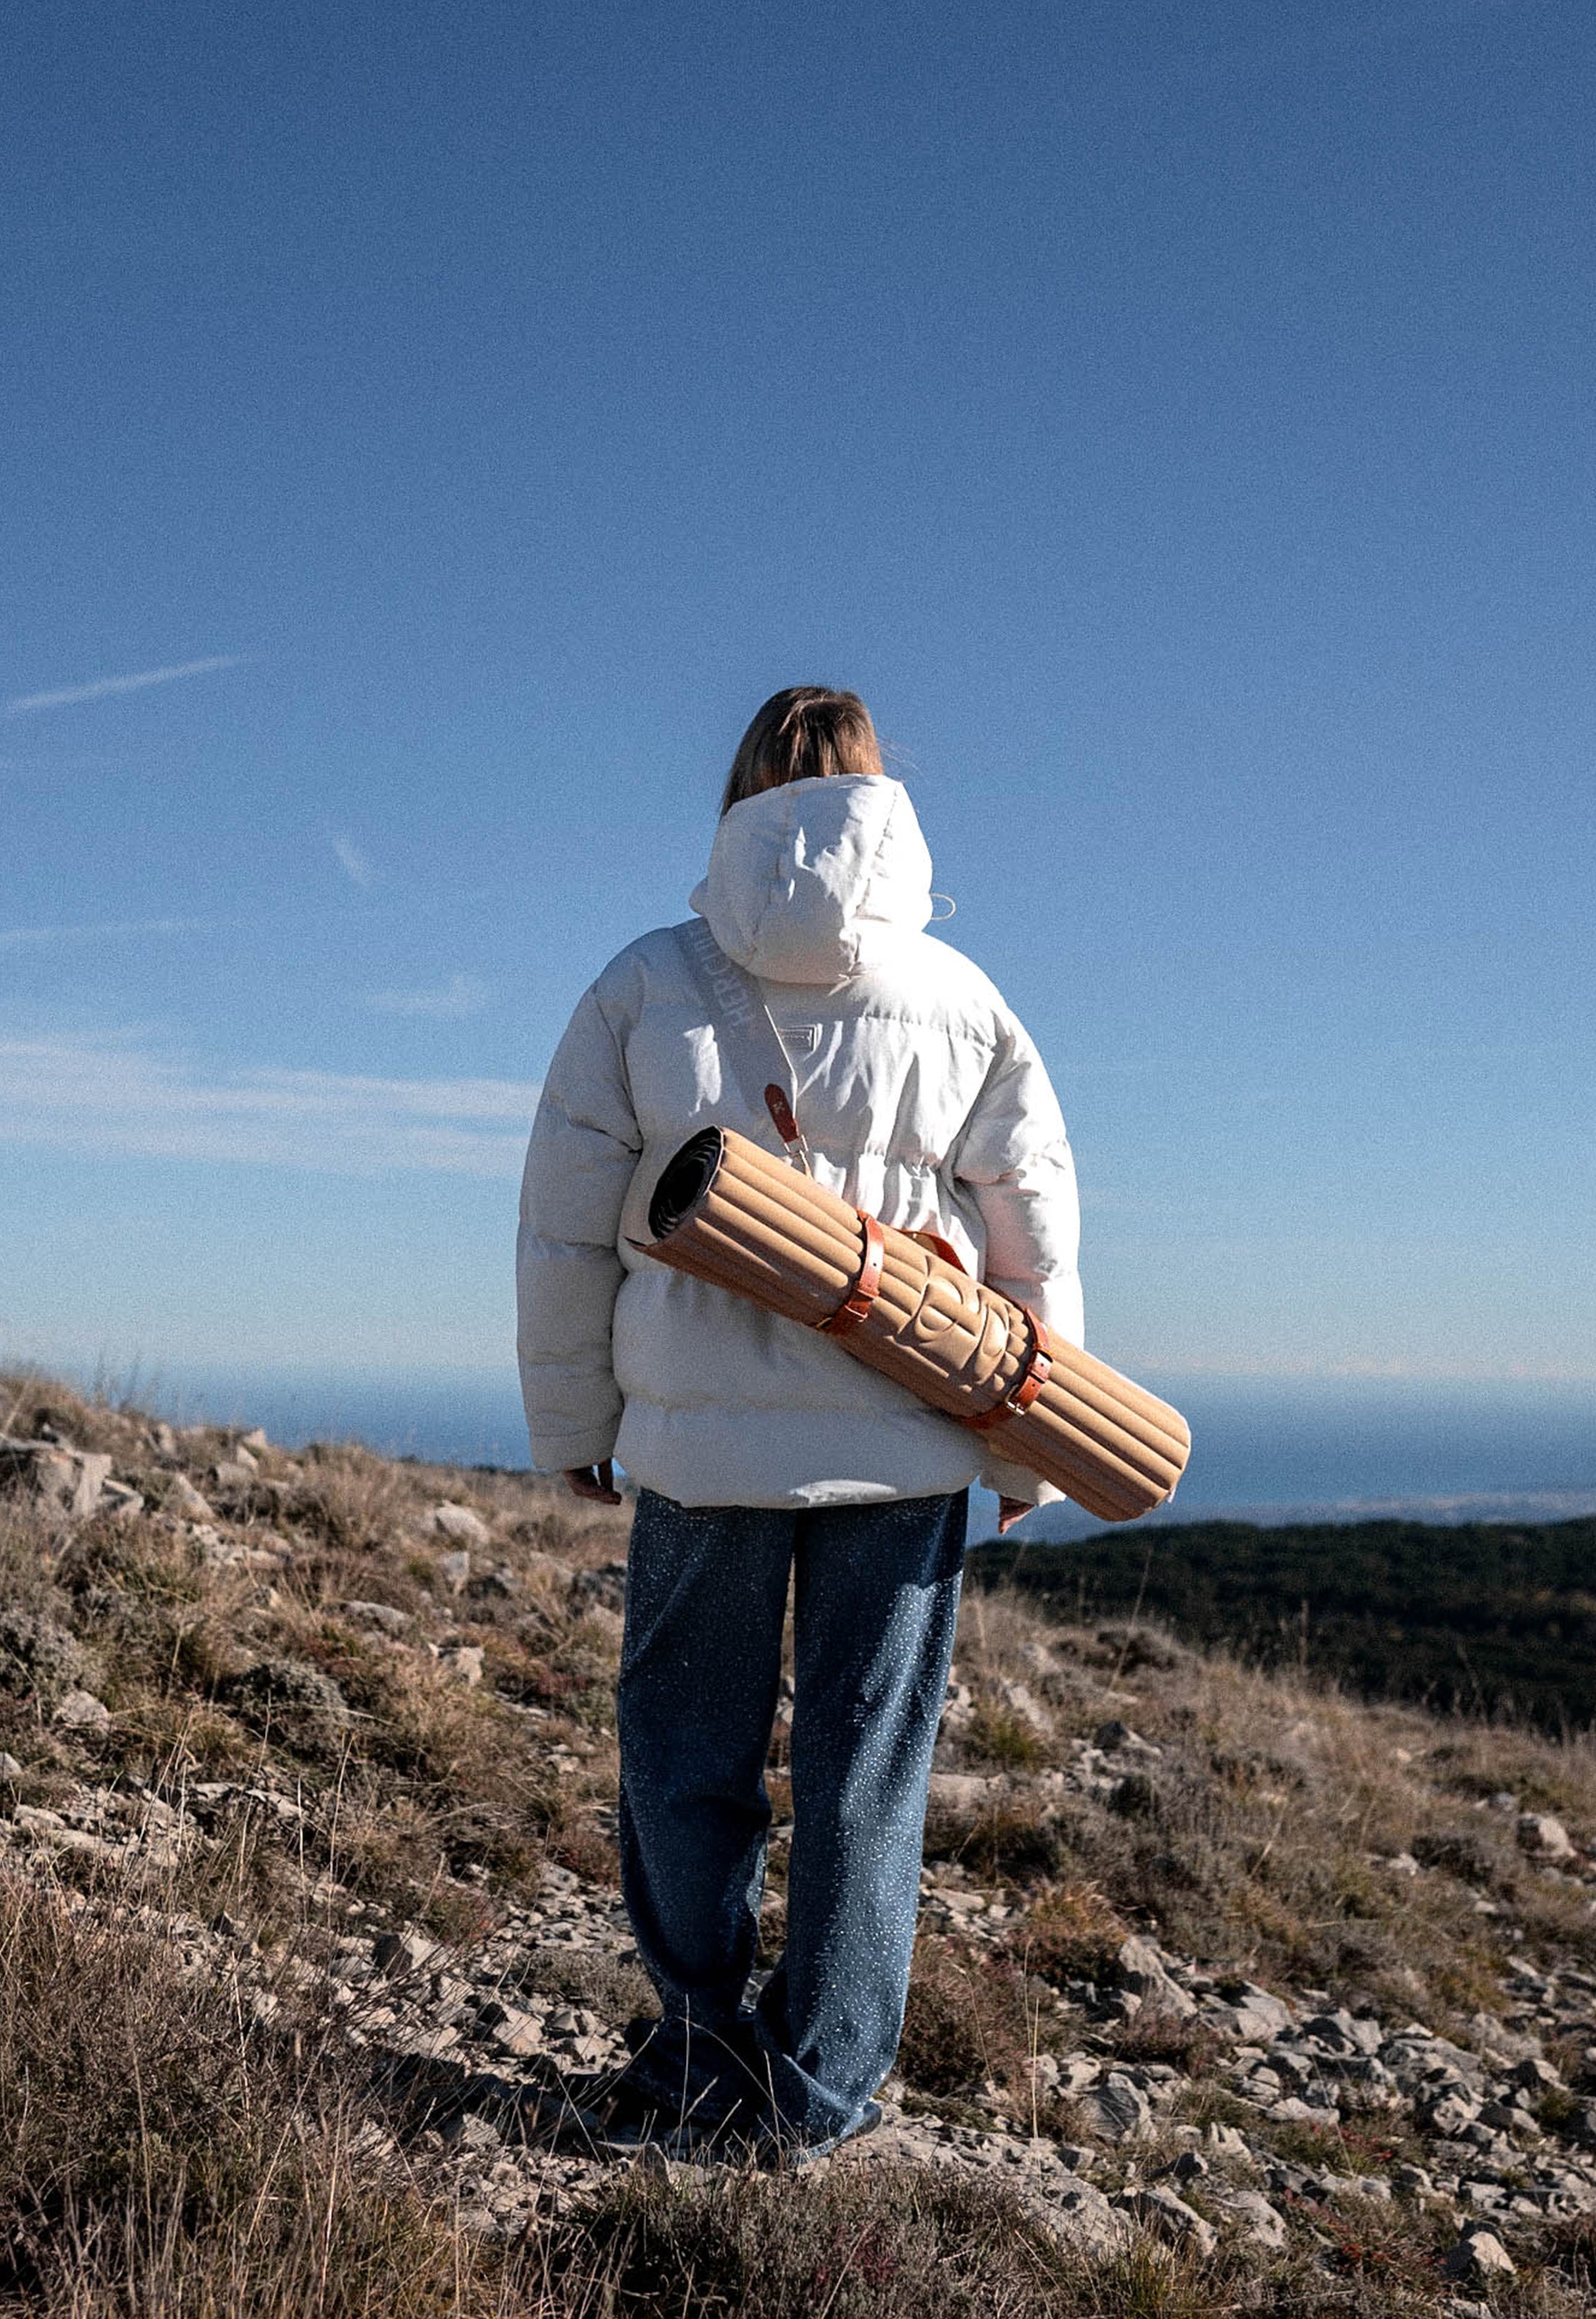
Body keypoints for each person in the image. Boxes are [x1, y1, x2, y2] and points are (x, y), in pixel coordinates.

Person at [515, 686, 1082, 2158]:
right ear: (887, 809)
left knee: (683, 1752)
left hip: (702, 1451)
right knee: (864, 1780)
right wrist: (1026, 1448)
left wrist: (573, 1414)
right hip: (904, 1447)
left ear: (739, 799)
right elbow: (1032, 1244)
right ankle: (817, 2095)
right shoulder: (965, 999)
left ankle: (697, 2050)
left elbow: (563, 1231)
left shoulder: (644, 982)